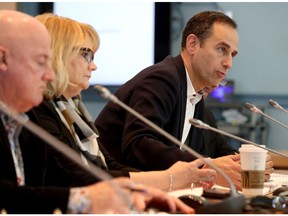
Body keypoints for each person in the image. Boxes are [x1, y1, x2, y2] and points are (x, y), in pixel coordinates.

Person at [0, 10, 194, 214]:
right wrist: (87, 199)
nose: (50, 74)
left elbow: (75, 174)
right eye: (41, 62)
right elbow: (62, 179)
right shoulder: (37, 112)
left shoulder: (27, 117)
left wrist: (136, 190)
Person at [29, 12, 216, 193]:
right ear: (58, 54)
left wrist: (157, 187)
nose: (94, 66)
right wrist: (167, 180)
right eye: (86, 55)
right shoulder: (39, 110)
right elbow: (76, 178)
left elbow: (108, 164)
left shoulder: (72, 108)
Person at [95, 11, 274, 190]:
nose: (229, 63)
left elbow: (215, 151)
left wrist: (243, 162)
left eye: (232, 54)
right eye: (221, 49)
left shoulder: (194, 95)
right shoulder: (163, 78)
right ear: (193, 44)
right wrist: (206, 166)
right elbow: (138, 145)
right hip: (112, 189)